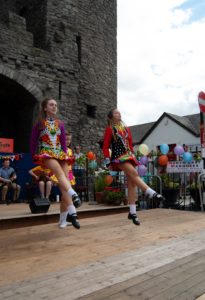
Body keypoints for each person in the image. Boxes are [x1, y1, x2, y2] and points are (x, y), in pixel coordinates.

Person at [103, 108, 165, 225]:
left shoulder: (126, 129)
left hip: (129, 156)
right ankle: (151, 193)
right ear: (111, 117)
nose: (119, 114)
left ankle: (132, 212)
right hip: (119, 157)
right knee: (134, 174)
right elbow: (105, 147)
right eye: (116, 113)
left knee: (132, 183)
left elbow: (130, 144)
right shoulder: (109, 129)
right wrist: (107, 160)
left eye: (119, 112)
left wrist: (133, 156)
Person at [30, 97, 81, 229]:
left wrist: (65, 155)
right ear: (45, 108)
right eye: (51, 105)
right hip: (46, 153)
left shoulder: (61, 124)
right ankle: (74, 197)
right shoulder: (39, 124)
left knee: (65, 183)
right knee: (59, 174)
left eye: (56, 105)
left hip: (59, 153)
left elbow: (63, 143)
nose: (54, 107)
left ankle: (72, 216)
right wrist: (33, 156)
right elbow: (33, 141)